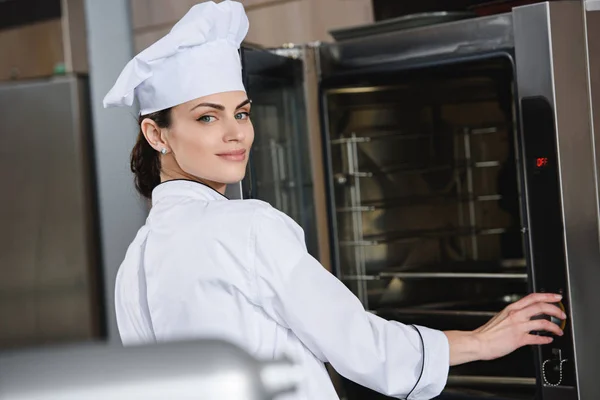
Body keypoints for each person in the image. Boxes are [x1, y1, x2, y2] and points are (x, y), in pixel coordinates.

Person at [103, 2, 566, 399]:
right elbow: (361, 346)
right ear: (156, 133)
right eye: (207, 117)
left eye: (241, 113)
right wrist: (482, 341)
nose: (235, 133)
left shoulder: (134, 267)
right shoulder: (245, 226)